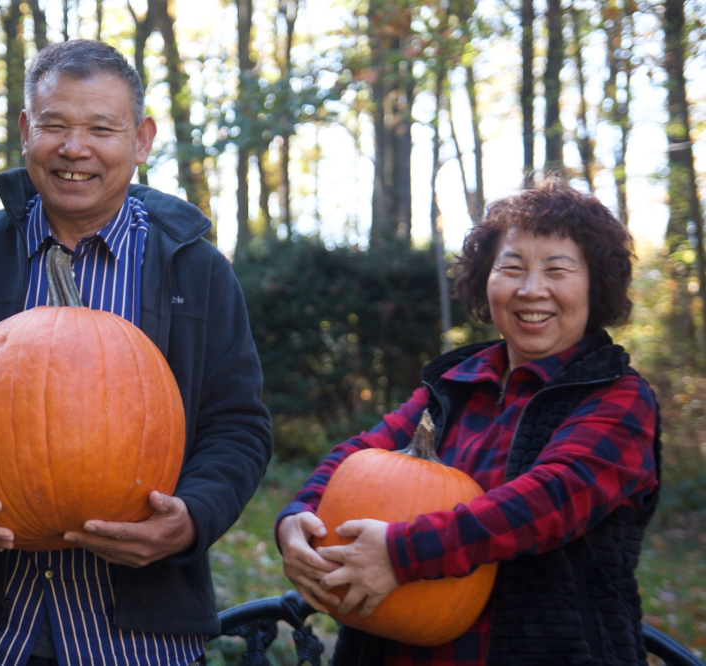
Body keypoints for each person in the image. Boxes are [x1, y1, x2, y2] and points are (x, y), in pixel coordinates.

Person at [0, 40, 272, 666]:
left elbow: (237, 426)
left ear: (140, 141)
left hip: (140, 641)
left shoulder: (196, 271)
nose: (74, 148)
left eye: (101, 129)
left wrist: (191, 518)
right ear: (27, 131)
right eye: (54, 125)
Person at [276, 177, 660, 666]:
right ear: (487, 278)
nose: (531, 289)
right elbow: (357, 454)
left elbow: (546, 503)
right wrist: (298, 518)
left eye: (557, 270)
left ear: (595, 284)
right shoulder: (455, 385)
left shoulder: (619, 399)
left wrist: (401, 554)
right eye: (512, 267)